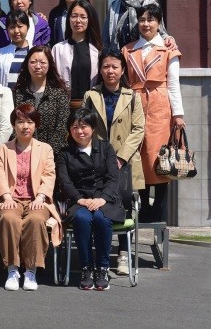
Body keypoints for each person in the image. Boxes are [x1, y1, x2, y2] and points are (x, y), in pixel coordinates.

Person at [82, 48, 145, 276]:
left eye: (115, 67)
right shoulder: (91, 95)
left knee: (125, 207)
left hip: (124, 162)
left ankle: (124, 254)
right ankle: (100, 254)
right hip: (97, 162)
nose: (110, 71)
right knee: (99, 206)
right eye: (106, 66)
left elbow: (138, 129)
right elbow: (84, 126)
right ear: (100, 69)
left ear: (122, 70)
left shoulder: (133, 96)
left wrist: (120, 157)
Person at [121, 4, 183, 225]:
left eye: (151, 19)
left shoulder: (168, 49)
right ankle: (144, 209)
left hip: (159, 105)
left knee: (158, 157)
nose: (146, 24)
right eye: (142, 20)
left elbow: (173, 84)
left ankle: (158, 211)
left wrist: (178, 114)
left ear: (159, 23)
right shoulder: (128, 50)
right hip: (135, 104)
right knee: (138, 156)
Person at [0, 104, 61, 292]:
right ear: (14, 125)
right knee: (8, 219)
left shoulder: (45, 149)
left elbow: (49, 175)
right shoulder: (4, 149)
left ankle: (30, 270)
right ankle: (12, 269)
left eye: (30, 122)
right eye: (20, 122)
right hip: (10, 199)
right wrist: (6, 196)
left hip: (36, 199)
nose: (25, 126)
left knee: (35, 220)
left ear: (36, 125)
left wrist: (41, 197)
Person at [57, 107, 124, 291]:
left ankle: (102, 268)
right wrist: (79, 199)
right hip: (79, 200)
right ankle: (86, 268)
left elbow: (113, 177)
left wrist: (103, 199)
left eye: (84, 126)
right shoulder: (65, 153)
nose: (79, 131)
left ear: (93, 128)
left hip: (105, 199)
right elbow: (64, 180)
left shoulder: (106, 148)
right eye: (74, 127)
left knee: (102, 219)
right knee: (82, 218)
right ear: (69, 130)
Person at [12, 46, 71, 154]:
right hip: (22, 152)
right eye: (33, 62)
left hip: (51, 154)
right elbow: (13, 125)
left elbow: (62, 128)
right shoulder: (18, 92)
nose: (37, 66)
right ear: (27, 64)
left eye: (42, 62)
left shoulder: (59, 93)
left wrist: (46, 153)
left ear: (49, 65)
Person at [52, 0, 102, 103]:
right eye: (74, 16)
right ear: (69, 19)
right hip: (63, 105)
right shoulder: (58, 49)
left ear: (89, 20)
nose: (78, 20)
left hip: (91, 105)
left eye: (83, 17)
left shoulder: (97, 50)